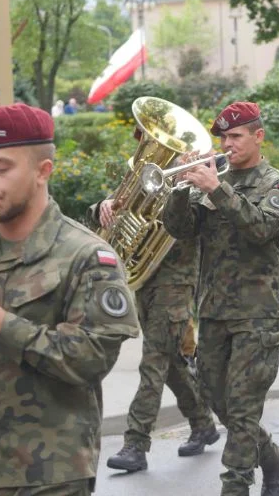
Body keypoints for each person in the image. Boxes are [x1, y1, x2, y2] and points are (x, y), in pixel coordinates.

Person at [0, 102, 139, 494]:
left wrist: (2, 324)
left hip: (48, 474)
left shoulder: (86, 256)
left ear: (43, 171)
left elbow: (90, 361)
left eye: (1, 168)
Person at [162, 101, 279, 496]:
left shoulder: (278, 183)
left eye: (235, 136)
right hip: (215, 312)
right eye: (223, 137)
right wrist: (180, 188)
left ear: (258, 136)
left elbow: (264, 230)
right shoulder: (210, 181)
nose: (227, 143)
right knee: (217, 400)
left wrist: (217, 189)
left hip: (258, 315)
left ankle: (235, 486)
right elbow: (179, 230)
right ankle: (271, 456)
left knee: (242, 410)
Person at [94, 128, 219, 473]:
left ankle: (136, 443)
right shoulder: (146, 177)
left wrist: (184, 182)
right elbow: (119, 210)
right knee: (172, 363)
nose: (150, 151)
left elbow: (193, 225)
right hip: (144, 283)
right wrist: (104, 207)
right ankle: (203, 424)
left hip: (175, 287)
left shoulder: (196, 185)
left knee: (153, 364)